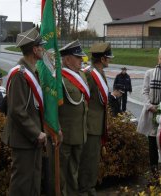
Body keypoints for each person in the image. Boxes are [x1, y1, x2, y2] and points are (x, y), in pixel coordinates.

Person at [1, 27, 48, 196]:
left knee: (33, 182)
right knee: (21, 185)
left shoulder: (31, 70)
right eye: (41, 46)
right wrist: (37, 133)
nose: (43, 49)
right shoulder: (20, 74)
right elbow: (17, 110)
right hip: (23, 139)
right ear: (34, 50)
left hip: (32, 138)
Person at [78, 42, 114, 196]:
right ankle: (85, 189)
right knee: (88, 160)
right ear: (104, 59)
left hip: (97, 123)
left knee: (93, 160)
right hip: (90, 124)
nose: (110, 61)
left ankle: (90, 187)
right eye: (108, 58)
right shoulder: (89, 74)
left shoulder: (98, 72)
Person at [58, 40, 90, 196]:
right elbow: (53, 109)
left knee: (74, 171)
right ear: (67, 59)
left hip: (80, 132)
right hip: (64, 134)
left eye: (81, 57)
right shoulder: (58, 78)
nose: (81, 60)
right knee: (61, 173)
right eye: (78, 57)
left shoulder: (82, 75)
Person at [137, 45, 161, 173]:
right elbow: (145, 91)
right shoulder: (149, 73)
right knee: (152, 143)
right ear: (158, 58)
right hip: (151, 111)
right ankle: (153, 170)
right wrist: (149, 106)